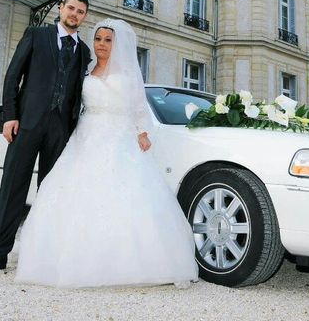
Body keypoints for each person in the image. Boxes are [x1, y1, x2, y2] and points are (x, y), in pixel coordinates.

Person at [15, 19, 198, 287]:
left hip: (118, 138)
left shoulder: (127, 76)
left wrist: (142, 132)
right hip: (86, 136)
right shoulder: (86, 70)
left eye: (108, 40)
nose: (101, 44)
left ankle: (130, 263)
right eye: (98, 39)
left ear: (118, 44)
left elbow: (138, 107)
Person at [0, 0, 91, 273]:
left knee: (51, 192)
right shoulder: (37, 34)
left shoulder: (84, 51)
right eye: (71, 8)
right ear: (61, 8)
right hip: (27, 123)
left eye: (80, 11)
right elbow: (13, 75)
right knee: (12, 187)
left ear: (85, 16)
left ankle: (43, 254)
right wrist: (10, 116)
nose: (74, 14)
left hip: (61, 129)